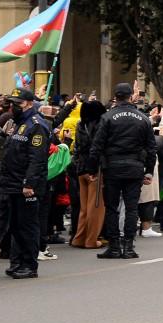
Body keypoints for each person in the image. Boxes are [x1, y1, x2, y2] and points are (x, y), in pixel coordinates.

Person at [85, 83, 156, 260]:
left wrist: (91, 169)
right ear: (131, 96)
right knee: (132, 208)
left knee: (111, 208)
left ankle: (115, 246)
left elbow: (97, 146)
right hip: (135, 168)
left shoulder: (108, 117)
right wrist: (148, 172)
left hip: (113, 167)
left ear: (115, 96)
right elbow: (151, 148)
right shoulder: (143, 118)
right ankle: (129, 246)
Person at [0, 88, 50, 279]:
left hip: (26, 185)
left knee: (27, 226)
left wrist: (29, 183)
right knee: (15, 226)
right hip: (12, 182)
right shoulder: (17, 123)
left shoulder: (36, 125)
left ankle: (29, 264)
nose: (13, 107)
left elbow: (36, 159)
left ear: (28, 103)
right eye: (12, 103)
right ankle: (17, 261)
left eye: (17, 103)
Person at [71, 100, 107, 249]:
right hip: (95, 169)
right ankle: (92, 240)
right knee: (96, 207)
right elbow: (98, 148)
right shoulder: (100, 125)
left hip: (81, 168)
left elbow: (77, 148)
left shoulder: (80, 125)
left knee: (84, 208)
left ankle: (79, 238)